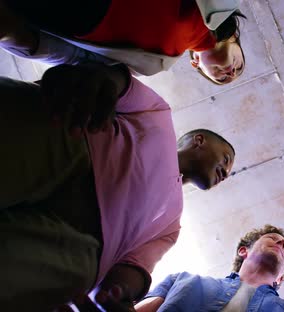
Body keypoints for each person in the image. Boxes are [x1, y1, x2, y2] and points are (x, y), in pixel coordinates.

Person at [0, 62, 236, 311]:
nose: (226, 173)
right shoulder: (159, 115)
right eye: (226, 160)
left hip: (71, 253)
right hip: (66, 147)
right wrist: (99, 77)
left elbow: (134, 267)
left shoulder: (172, 226)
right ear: (200, 141)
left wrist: (121, 294)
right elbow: (117, 83)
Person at [0, 0, 246, 83]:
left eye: (223, 78)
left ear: (196, 64)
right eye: (239, 66)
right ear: (235, 38)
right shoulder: (223, 3)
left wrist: (24, 42)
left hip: (78, 18)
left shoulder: (153, 65)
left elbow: (78, 58)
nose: (230, 72)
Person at [129, 225, 284, 312]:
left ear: (281, 279)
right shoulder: (181, 280)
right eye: (273, 237)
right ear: (243, 251)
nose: (280, 242)